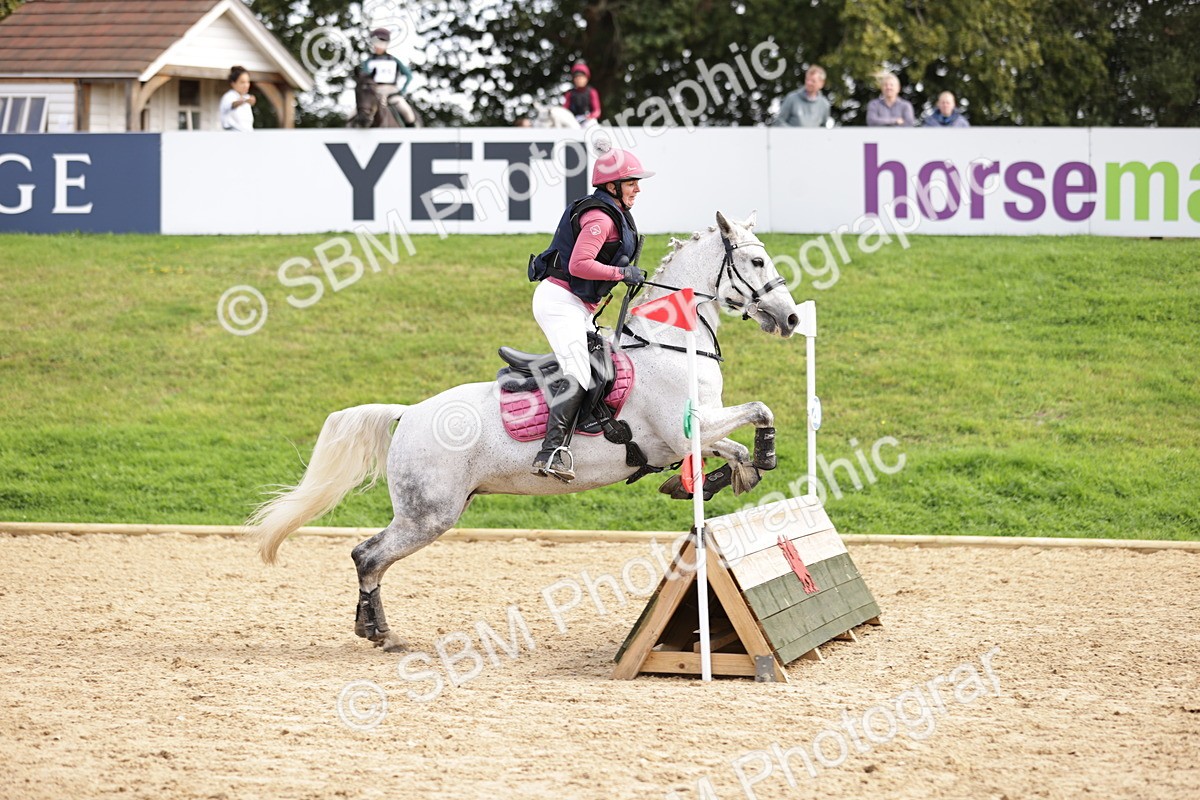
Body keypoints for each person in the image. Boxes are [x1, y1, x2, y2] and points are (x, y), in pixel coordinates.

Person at [526, 143, 652, 481]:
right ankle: (550, 452)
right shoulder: (599, 217)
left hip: (576, 305)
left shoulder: (614, 213)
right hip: (559, 302)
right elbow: (579, 265)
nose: (638, 188)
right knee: (580, 372)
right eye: (631, 182)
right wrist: (622, 274)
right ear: (612, 186)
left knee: (603, 363)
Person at [360, 27, 415, 126]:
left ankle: (414, 135)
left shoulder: (394, 60)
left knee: (407, 113)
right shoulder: (368, 62)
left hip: (391, 93)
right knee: (352, 115)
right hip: (373, 94)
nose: (378, 46)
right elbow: (364, 78)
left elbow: (408, 75)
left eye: (381, 43)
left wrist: (402, 91)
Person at [563, 62, 601, 126]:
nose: (579, 80)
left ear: (586, 79)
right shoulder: (569, 94)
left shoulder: (592, 92)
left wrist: (590, 117)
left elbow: (597, 111)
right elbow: (564, 110)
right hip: (573, 121)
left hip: (588, 120)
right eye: (577, 78)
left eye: (581, 77)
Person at [219, 66, 255, 131]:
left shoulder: (246, 96)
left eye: (247, 82)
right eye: (242, 82)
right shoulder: (229, 96)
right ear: (233, 83)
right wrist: (244, 101)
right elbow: (232, 104)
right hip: (233, 134)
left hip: (247, 134)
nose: (246, 85)